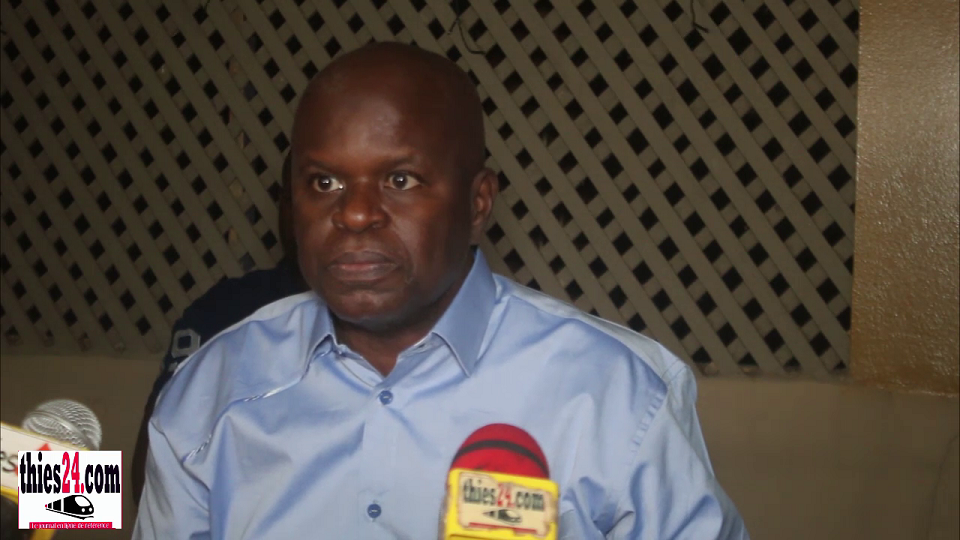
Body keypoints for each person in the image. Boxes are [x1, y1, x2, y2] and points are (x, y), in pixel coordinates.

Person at [134, 42, 748, 539]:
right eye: (323, 182)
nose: (354, 214)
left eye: (400, 179)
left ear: (477, 203)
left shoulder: (615, 394)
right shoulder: (212, 391)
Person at [131, 153, 308, 505]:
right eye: (309, 190)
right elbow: (152, 471)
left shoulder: (411, 325)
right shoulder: (226, 312)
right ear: (282, 205)